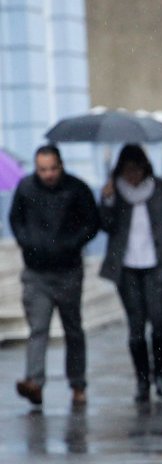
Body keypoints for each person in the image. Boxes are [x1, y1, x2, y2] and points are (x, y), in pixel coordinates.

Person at [9, 145, 100, 406]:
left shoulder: (76, 189)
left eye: (52, 169)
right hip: (36, 272)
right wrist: (27, 242)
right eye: (42, 169)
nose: (47, 174)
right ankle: (34, 382)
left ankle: (77, 383)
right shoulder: (26, 188)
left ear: (60, 166)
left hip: (68, 270)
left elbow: (91, 222)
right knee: (38, 328)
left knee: (72, 328)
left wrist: (72, 243)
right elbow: (16, 220)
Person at [99, 144, 162, 402]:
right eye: (127, 170)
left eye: (136, 170)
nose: (132, 176)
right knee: (136, 328)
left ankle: (159, 373)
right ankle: (142, 380)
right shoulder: (114, 190)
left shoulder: (160, 187)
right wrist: (107, 199)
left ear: (144, 168)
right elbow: (105, 225)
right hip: (126, 269)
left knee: (159, 324)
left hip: (156, 264)